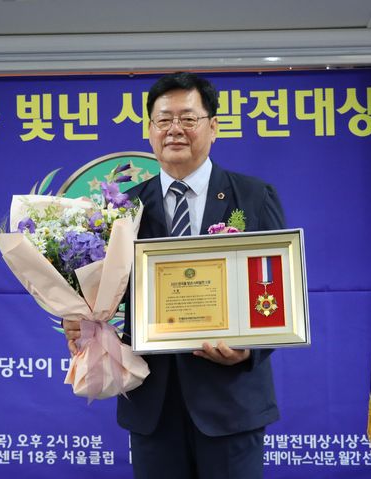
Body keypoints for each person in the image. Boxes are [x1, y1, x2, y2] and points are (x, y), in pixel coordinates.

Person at [64, 72, 286, 479]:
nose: (175, 129)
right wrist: (85, 321)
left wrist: (248, 350)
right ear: (150, 130)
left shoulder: (254, 197)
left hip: (230, 402)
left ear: (213, 127)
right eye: (164, 120)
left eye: (188, 118)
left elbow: (276, 290)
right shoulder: (124, 209)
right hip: (153, 403)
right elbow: (107, 296)